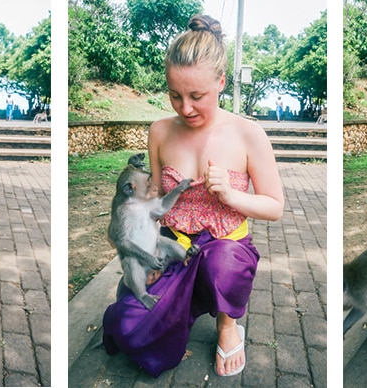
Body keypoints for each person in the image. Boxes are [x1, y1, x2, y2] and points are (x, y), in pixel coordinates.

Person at [102, 15, 284, 378]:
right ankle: (173, 312)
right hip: (175, 248)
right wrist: (142, 250)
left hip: (226, 249)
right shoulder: (160, 131)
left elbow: (275, 207)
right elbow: (150, 207)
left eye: (196, 96)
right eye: (174, 95)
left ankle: (228, 324)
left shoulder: (249, 133)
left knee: (222, 264)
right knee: (129, 329)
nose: (184, 108)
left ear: (220, 82)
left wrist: (231, 195)